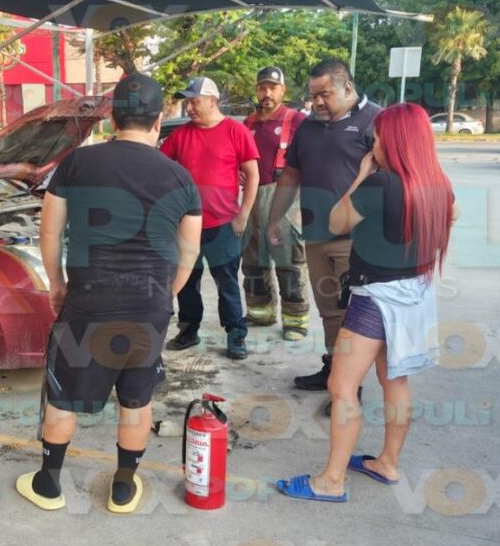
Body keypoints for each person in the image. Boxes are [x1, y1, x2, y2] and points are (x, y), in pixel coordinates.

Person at [16, 73, 203, 514]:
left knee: (65, 396)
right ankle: (122, 489)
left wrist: (58, 285)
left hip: (88, 302)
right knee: (137, 399)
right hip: (149, 306)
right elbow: (189, 251)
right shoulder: (180, 176)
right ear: (160, 121)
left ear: (111, 117)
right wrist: (166, 294)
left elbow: (49, 230)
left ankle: (48, 484)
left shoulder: (78, 163)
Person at [275, 102, 456, 502]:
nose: (371, 146)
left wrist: (359, 177)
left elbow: (337, 222)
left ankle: (331, 481)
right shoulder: (438, 184)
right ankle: (387, 463)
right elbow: (452, 216)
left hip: (375, 298)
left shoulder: (380, 185)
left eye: (375, 140)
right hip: (416, 294)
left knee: (342, 386)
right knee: (395, 380)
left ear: (394, 141)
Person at [267, 58, 381, 413]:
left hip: (358, 241)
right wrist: (274, 219)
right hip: (316, 237)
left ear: (347, 87)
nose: (316, 102)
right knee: (330, 313)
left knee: (354, 316)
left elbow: (392, 178)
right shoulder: (310, 127)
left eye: (324, 94)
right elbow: (290, 176)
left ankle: (351, 387)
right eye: (312, 95)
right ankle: (334, 370)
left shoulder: (376, 121)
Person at [160, 76, 260, 360]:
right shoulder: (180, 135)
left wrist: (243, 214)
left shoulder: (235, 131)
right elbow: (162, 169)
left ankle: (236, 333)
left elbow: (252, 175)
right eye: (188, 102)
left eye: (195, 101)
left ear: (213, 101)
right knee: (187, 281)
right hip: (187, 225)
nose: (189, 107)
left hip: (223, 224)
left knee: (226, 281)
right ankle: (189, 330)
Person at [240, 66, 311, 341]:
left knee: (288, 259)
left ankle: (295, 320)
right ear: (257, 90)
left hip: (285, 196)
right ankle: (260, 312)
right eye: (262, 87)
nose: (267, 92)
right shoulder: (248, 123)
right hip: (252, 195)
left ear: (283, 91)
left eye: (273, 87)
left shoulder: (297, 121)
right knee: (252, 259)